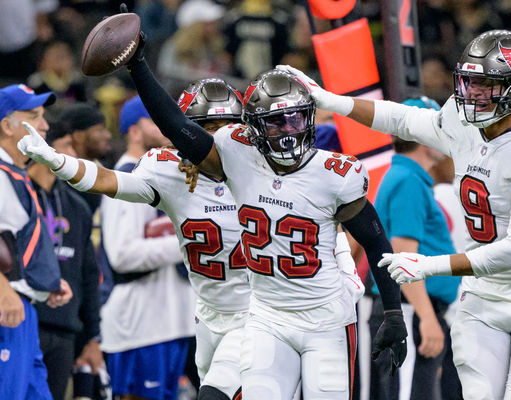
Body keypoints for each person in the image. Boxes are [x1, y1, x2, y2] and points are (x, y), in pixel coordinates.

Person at [20, 15, 408, 398]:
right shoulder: (195, 167)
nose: (218, 138)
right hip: (226, 316)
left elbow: (351, 229)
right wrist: (61, 161)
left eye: (226, 128)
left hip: (279, 314)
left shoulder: (299, 168)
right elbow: (117, 175)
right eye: (205, 128)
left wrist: (374, 295)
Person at [280, 29, 511, 400]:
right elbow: (404, 121)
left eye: (486, 84)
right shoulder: (463, 119)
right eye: (469, 80)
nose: (472, 92)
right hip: (482, 293)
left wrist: (430, 265)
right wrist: (334, 101)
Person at [98, 95, 197, 400]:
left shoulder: (165, 174)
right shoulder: (126, 176)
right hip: (139, 326)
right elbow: (123, 254)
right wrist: (188, 242)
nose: (165, 126)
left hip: (171, 323)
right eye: (155, 120)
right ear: (134, 131)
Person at [372, 96, 461, 400]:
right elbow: (403, 257)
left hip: (412, 310)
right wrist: (426, 317)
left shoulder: (407, 177)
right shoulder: (408, 180)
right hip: (409, 312)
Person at [0, 83, 72, 400]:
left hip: (24, 308)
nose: (43, 126)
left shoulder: (15, 173)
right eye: (33, 116)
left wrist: (46, 282)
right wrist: (3, 290)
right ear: (6, 125)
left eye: (43, 116)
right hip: (7, 308)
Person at [28, 121, 102, 400]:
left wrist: (93, 336)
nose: (74, 153)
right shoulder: (17, 194)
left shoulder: (78, 206)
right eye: (68, 146)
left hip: (64, 330)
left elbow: (89, 275)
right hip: (24, 321)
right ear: (45, 148)